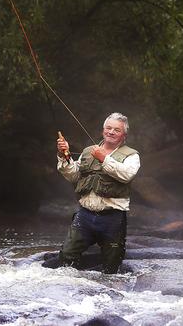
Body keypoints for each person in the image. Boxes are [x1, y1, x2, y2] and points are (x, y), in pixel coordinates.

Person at [53, 112, 140, 274]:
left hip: (113, 219)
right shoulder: (88, 151)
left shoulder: (132, 155)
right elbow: (73, 175)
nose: (111, 132)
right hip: (84, 216)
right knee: (66, 257)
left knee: (112, 267)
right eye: (108, 128)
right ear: (103, 131)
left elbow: (127, 174)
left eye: (116, 130)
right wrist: (63, 156)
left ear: (124, 135)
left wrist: (103, 158)